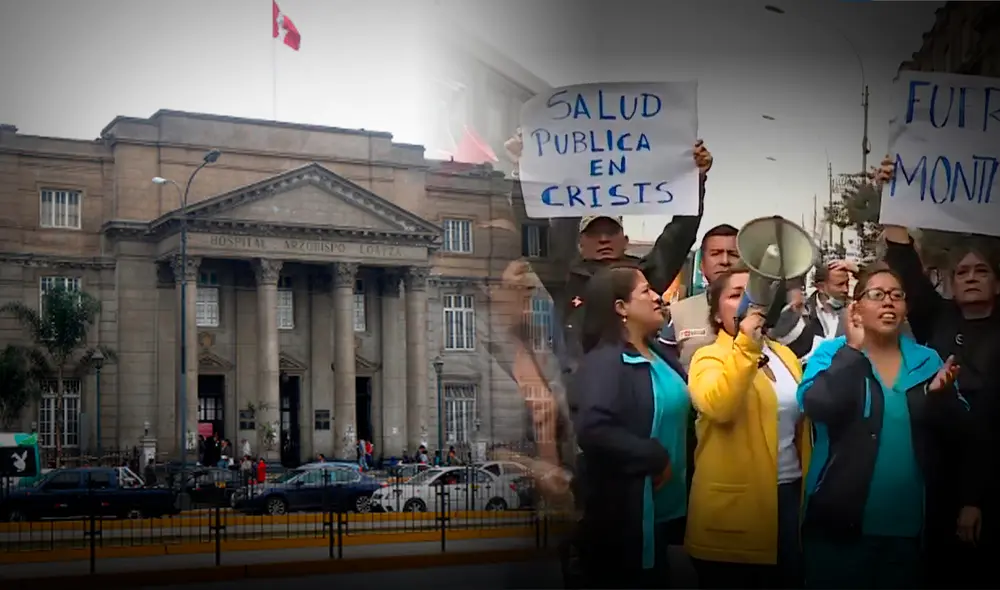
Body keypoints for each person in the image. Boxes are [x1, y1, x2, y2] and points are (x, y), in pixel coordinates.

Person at [797, 263, 979, 588]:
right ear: (856, 307)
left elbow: (961, 434)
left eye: (896, 295)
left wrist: (939, 398)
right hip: (839, 527)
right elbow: (816, 405)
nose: (888, 302)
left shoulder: (928, 361)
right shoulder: (830, 355)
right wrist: (852, 351)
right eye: (877, 295)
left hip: (909, 530)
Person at [875, 158, 994, 586]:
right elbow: (906, 265)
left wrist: (974, 498)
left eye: (982, 271)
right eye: (963, 272)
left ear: (997, 282)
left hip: (984, 483)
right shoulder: (938, 320)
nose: (971, 278)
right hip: (934, 484)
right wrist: (896, 196)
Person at [684, 265, 811, 589]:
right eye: (737, 295)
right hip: (735, 511)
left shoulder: (784, 355)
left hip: (788, 495)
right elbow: (719, 405)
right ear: (716, 315)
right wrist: (745, 345)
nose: (750, 302)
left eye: (755, 294)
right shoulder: (708, 357)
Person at [569, 266, 690, 588]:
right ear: (620, 308)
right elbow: (594, 427)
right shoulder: (606, 361)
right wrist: (654, 456)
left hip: (666, 515)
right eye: (646, 291)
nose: (656, 297)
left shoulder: (661, 355)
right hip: (628, 523)